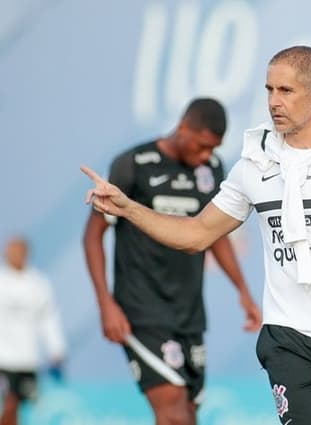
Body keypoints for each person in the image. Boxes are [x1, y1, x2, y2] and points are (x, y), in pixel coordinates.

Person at [81, 45, 311, 425]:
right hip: (291, 337)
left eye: (286, 91)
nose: (274, 101)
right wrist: (127, 207)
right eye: (269, 90)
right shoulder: (252, 166)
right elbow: (196, 234)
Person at [82, 98, 262, 425]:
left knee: (189, 413)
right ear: (182, 128)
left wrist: (243, 291)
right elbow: (92, 236)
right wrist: (106, 303)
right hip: (142, 309)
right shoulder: (133, 164)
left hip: (189, 312)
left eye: (214, 148)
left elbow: (214, 234)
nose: (207, 155)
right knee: (174, 414)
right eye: (202, 145)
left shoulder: (211, 169)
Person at [0, 236, 66, 425]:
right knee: (9, 403)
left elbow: (49, 319)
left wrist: (57, 349)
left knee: (19, 405)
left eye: (19, 251)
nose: (14, 255)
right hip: (2, 359)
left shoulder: (38, 283)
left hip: (28, 359)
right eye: (11, 250)